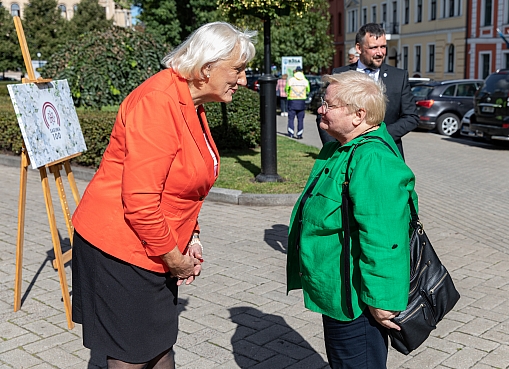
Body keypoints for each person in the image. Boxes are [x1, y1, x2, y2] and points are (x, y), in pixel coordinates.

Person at [71, 22, 256, 369]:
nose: (244, 80)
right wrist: (173, 257)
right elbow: (141, 201)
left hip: (152, 244)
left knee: (158, 346)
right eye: (238, 70)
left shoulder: (189, 102)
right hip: (120, 248)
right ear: (206, 69)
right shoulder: (159, 102)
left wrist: (193, 237)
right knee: (132, 355)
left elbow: (184, 188)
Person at [287, 70, 417, 368]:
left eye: (329, 104)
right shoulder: (339, 148)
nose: (320, 108)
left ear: (359, 115)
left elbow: (385, 237)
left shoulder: (373, 159)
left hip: (359, 303)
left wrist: (383, 299)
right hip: (339, 292)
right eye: (323, 101)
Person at [317, 23, 418, 158]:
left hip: (386, 152)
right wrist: (334, 148)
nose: (380, 52)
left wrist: (379, 136)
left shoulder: (399, 77)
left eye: (383, 47)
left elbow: (411, 117)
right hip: (345, 154)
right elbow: (324, 112)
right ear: (358, 48)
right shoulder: (340, 74)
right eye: (373, 47)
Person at [285, 66, 310, 139]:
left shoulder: (291, 80)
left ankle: (291, 133)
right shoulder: (305, 81)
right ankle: (299, 134)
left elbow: (286, 89)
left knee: (291, 119)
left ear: (295, 71)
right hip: (301, 101)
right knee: (300, 119)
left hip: (292, 101)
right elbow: (308, 90)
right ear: (302, 71)